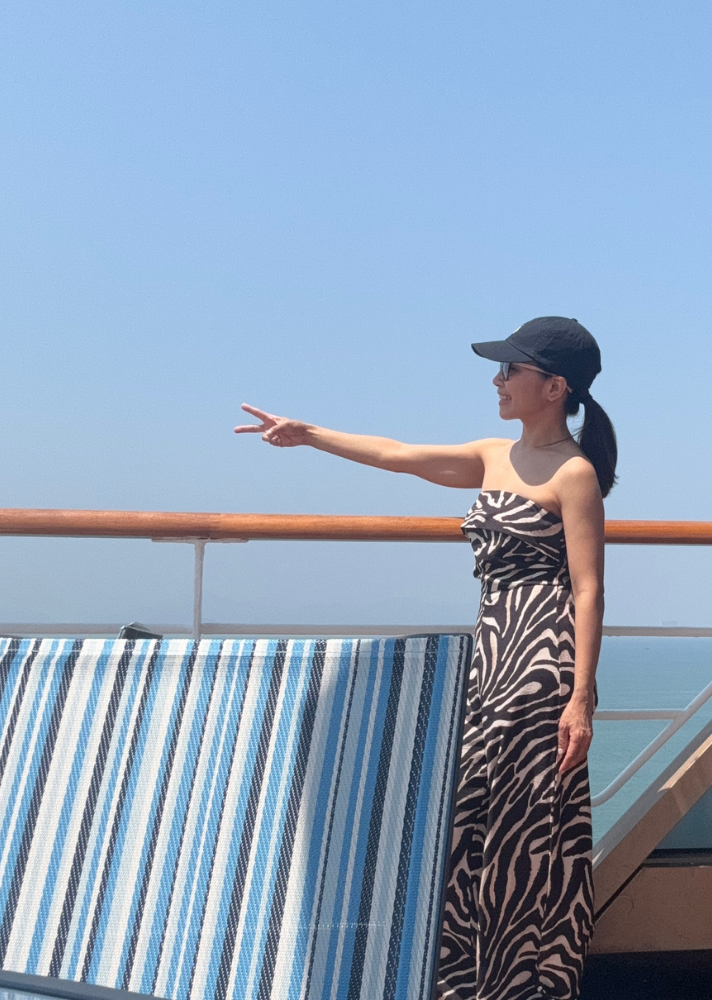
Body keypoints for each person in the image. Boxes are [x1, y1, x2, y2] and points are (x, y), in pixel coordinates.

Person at [235, 316, 617, 1000]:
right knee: (475, 818)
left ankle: (519, 982)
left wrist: (581, 699)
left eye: (511, 370)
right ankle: (469, 981)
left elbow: (587, 588)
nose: (497, 381)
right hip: (491, 658)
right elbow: (395, 453)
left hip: (539, 663)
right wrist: (309, 434)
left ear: (554, 386)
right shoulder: (492, 456)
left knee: (522, 828)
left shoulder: (575, 475)